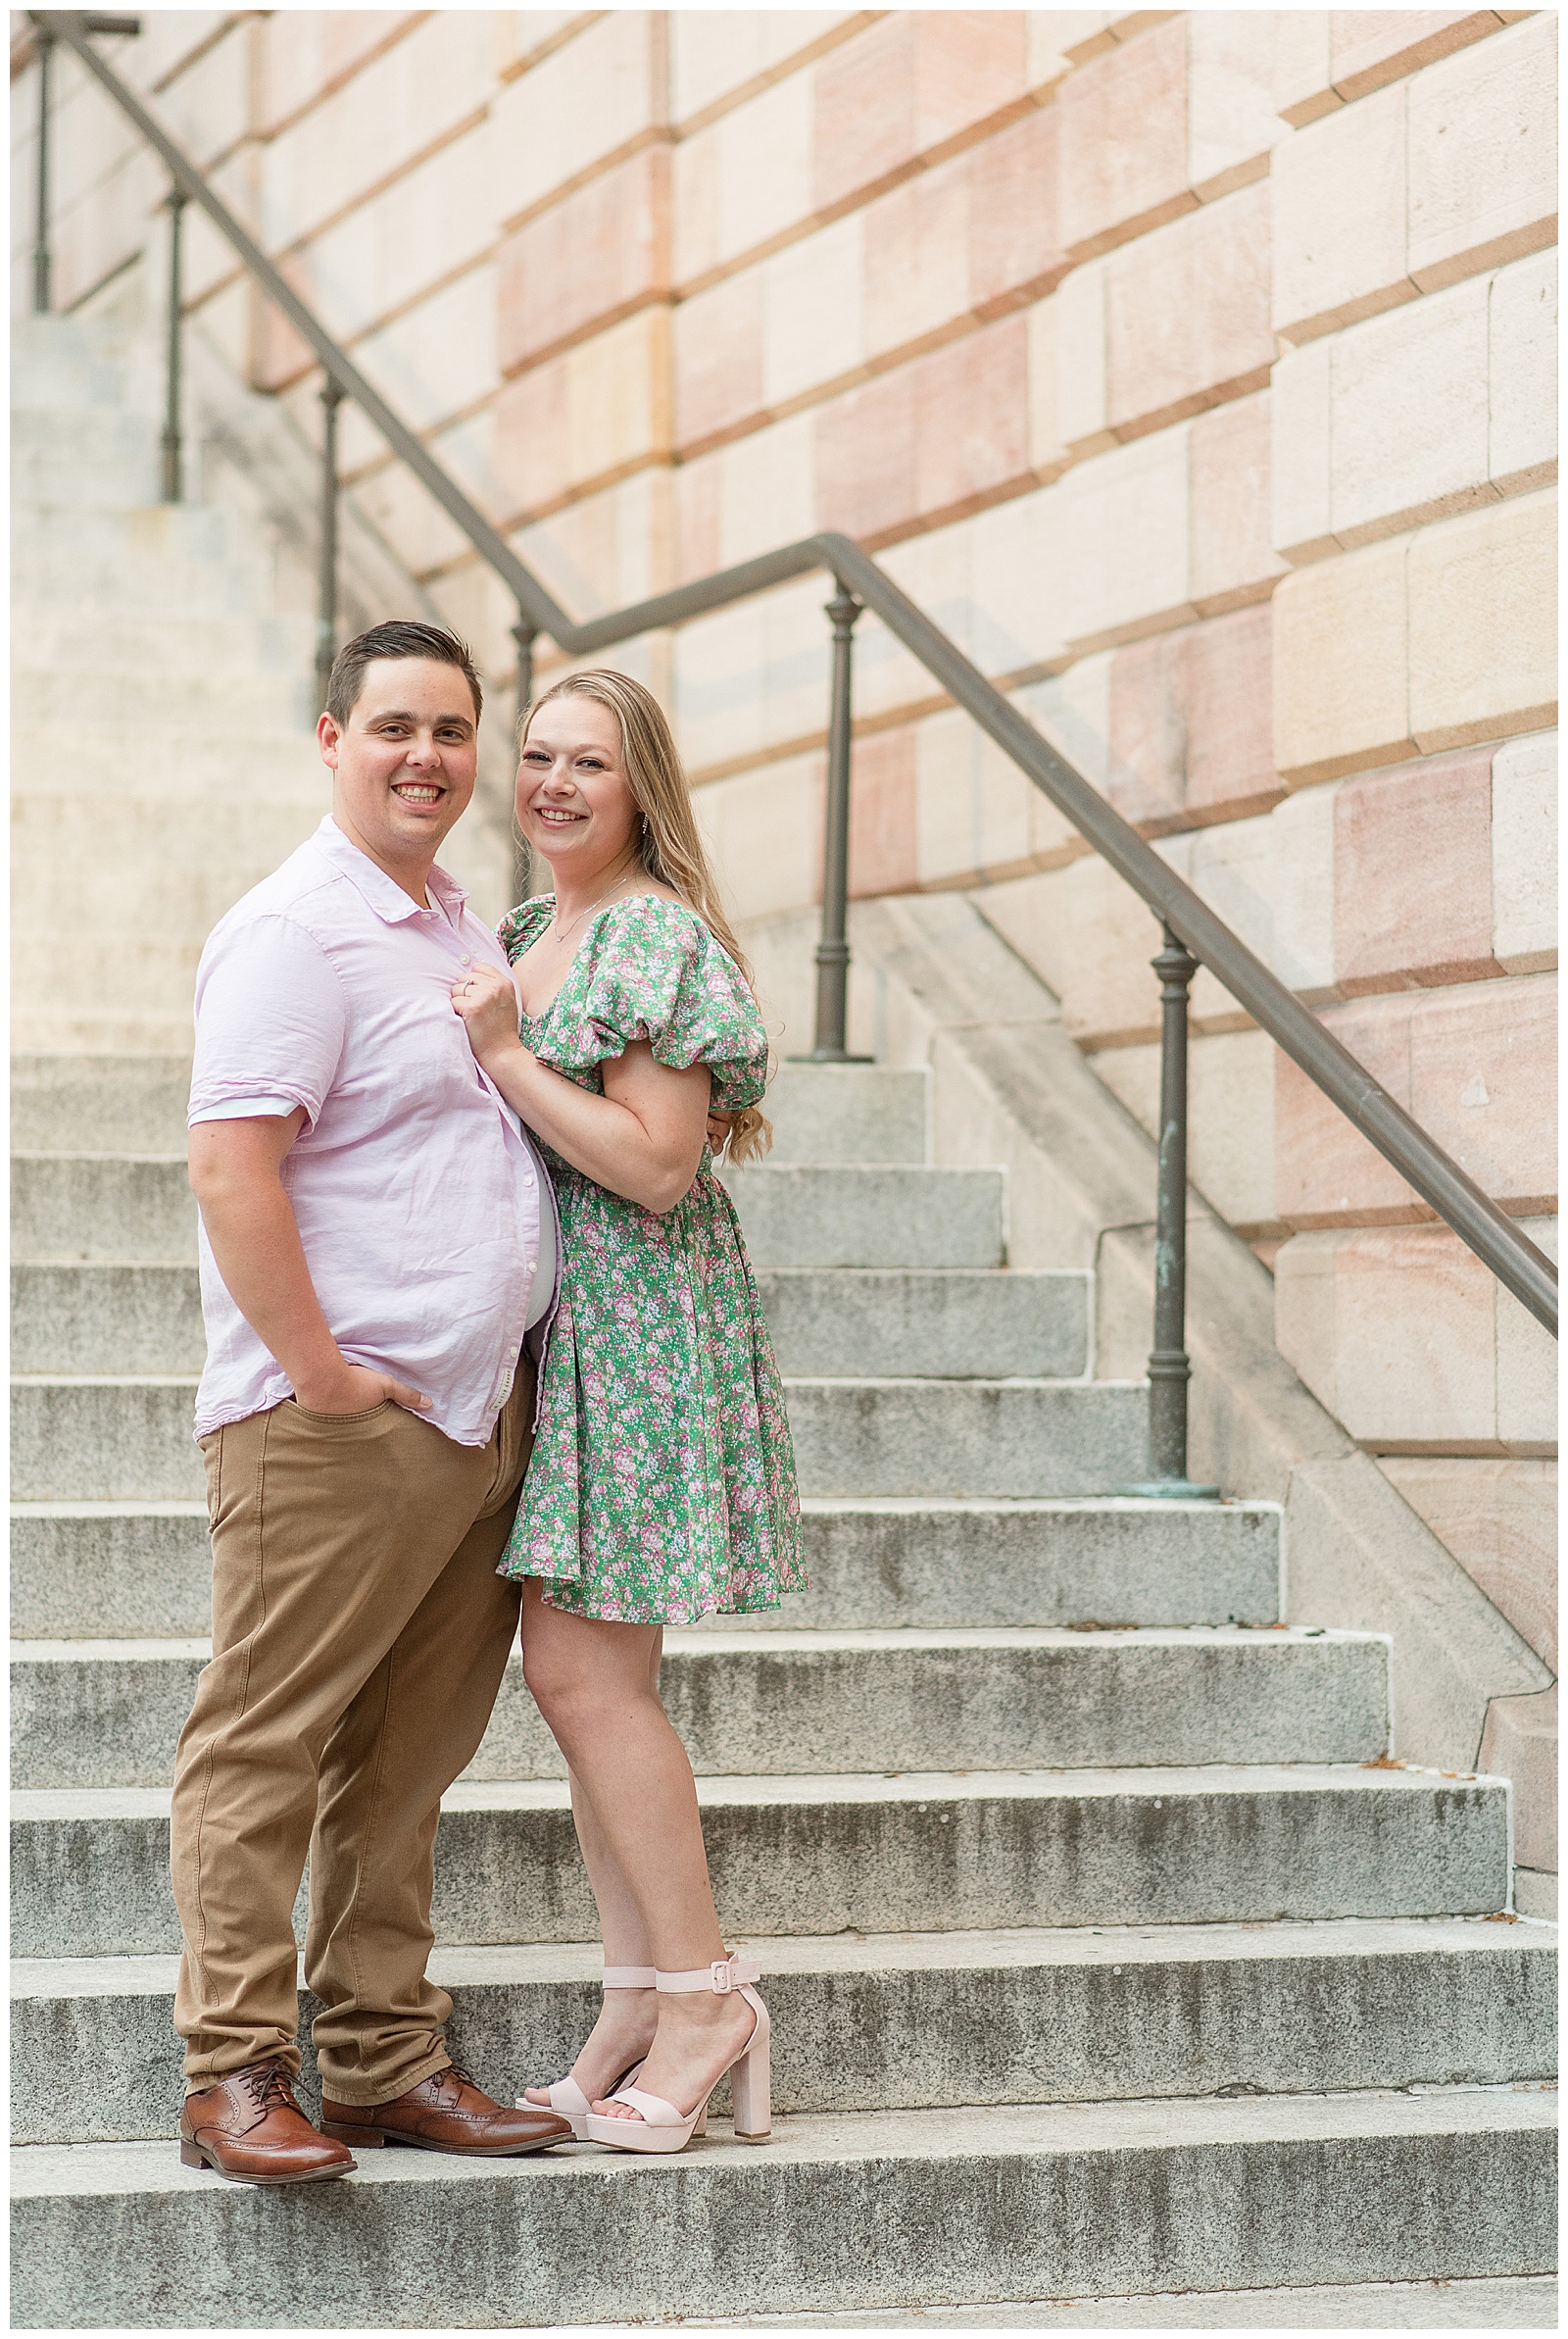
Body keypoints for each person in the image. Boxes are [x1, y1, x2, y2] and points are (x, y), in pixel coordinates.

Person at [172, 621, 574, 2184]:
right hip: (336, 1419)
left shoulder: (453, 919)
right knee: (265, 1742)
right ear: (330, 736)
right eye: (395, 725)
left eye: (454, 730)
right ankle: (232, 2074)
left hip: (474, 1418)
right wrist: (328, 1375)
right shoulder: (295, 930)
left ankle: (384, 2057)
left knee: (407, 1759)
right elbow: (230, 1165)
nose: (428, 756)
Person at [451, 667, 806, 2157]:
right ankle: (639, 1992)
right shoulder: (529, 930)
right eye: (535, 756)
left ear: (639, 783)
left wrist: (510, 1057)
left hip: (647, 1331)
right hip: (570, 1339)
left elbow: (661, 1162)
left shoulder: (652, 933)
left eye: (586, 761)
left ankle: (711, 1996)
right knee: (570, 1677)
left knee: (596, 1679)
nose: (551, 783)